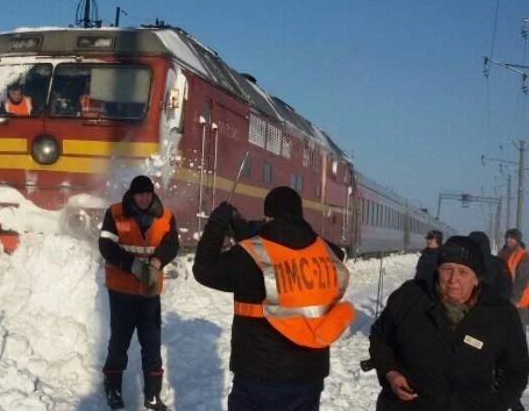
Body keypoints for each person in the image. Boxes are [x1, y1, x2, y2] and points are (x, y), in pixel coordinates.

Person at [193, 186, 353, 411]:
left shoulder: (248, 255)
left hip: (259, 374)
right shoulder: (327, 251)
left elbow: (204, 270)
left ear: (268, 216)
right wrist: (254, 229)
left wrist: (216, 226)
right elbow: (290, 241)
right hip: (310, 375)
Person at [369, 236, 529, 409]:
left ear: (476, 279)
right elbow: (380, 339)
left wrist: (495, 404)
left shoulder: (500, 313)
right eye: (447, 269)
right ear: (438, 270)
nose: (453, 279)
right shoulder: (410, 297)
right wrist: (390, 372)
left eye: (463, 272)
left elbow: (515, 370)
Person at [99, 175, 179, 410]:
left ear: (152, 194)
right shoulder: (115, 213)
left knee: (152, 345)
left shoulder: (166, 216)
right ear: (132, 195)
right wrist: (132, 264)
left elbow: (172, 244)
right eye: (140, 194)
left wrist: (155, 263)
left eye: (148, 194)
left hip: (150, 293)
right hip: (122, 292)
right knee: (119, 343)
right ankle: (113, 387)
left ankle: (153, 394)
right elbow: (106, 245)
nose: (144, 198)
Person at [468, 230, 513, 300]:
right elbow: (506, 288)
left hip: (469, 304)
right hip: (492, 304)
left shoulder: (466, 262)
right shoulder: (499, 263)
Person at [498, 228, 529, 326]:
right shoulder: (502, 253)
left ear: (518, 240)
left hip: (518, 300)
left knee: (518, 328)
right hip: (504, 297)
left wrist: (515, 299)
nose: (508, 240)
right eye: (507, 237)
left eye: (512, 238)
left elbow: (522, 280)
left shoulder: (523, 255)